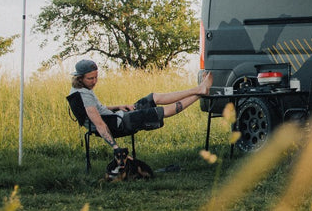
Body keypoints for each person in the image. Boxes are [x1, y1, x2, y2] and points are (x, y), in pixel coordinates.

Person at [68, 59, 212, 154]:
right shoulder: (84, 95)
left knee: (154, 97)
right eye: (90, 78)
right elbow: (98, 123)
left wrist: (118, 106)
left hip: (119, 115)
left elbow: (99, 109)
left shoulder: (82, 90)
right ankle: (199, 92)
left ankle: (199, 89)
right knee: (162, 111)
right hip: (120, 124)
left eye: (96, 77)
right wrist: (115, 148)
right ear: (80, 78)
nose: (94, 81)